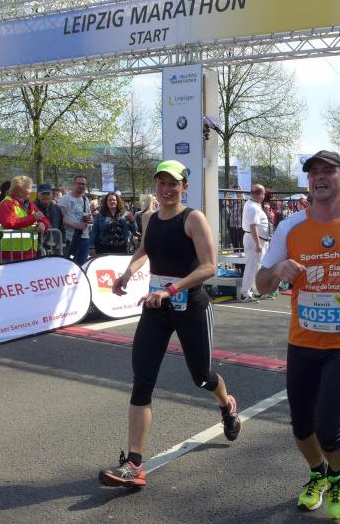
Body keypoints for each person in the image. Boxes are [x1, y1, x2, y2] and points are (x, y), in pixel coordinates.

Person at [256, 150, 340, 520]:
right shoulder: (290, 228)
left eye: (328, 171)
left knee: (328, 426)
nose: (319, 177)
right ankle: (318, 472)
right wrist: (277, 271)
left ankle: (337, 477)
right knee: (302, 427)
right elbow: (261, 282)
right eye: (313, 172)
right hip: (302, 341)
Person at [99, 161, 240, 489]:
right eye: (161, 183)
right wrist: (127, 274)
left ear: (184, 187)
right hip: (156, 308)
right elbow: (144, 249)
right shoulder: (148, 218)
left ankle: (227, 404)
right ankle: (134, 464)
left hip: (191, 307)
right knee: (142, 381)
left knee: (201, 377)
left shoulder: (193, 219)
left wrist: (171, 289)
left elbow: (209, 267)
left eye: (173, 184)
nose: (166, 189)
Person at [0, 175, 50, 262]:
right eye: (30, 188)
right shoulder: (6, 203)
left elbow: (44, 218)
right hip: (10, 254)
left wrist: (43, 224)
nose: (32, 191)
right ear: (20, 190)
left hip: (29, 253)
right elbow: (9, 222)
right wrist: (33, 217)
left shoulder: (30, 204)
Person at [240, 184, 271, 301]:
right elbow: (253, 226)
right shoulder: (253, 207)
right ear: (260, 194)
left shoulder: (253, 204)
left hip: (256, 240)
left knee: (256, 267)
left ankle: (256, 291)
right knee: (251, 268)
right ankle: (245, 293)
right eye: (264, 193)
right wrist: (258, 244)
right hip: (254, 240)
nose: (264, 195)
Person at [59, 175, 93, 265]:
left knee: (82, 265)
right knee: (69, 264)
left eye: (83, 184)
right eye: (78, 183)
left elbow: (89, 215)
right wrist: (77, 226)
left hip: (85, 237)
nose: (81, 186)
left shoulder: (85, 199)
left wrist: (91, 219)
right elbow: (61, 219)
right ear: (74, 184)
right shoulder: (65, 199)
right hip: (71, 238)